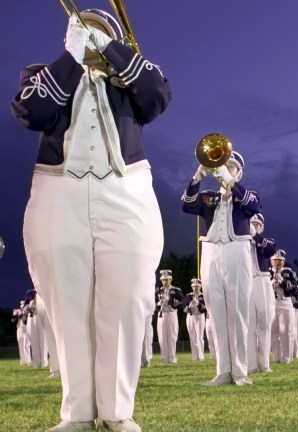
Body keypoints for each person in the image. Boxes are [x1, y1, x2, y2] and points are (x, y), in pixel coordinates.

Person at [12, 8, 171, 431]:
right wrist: (71, 56)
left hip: (126, 189)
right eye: (82, 29)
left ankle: (118, 413)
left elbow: (158, 97)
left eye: (98, 31)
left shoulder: (131, 76)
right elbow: (31, 113)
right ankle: (77, 414)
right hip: (57, 190)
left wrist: (112, 50)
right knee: (66, 305)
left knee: (127, 300)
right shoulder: (44, 72)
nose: (89, 35)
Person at [182, 150, 260, 386]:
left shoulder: (247, 195)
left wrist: (230, 181)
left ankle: (240, 371)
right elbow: (187, 205)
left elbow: (253, 206)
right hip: (211, 251)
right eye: (222, 166)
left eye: (231, 167)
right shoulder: (210, 197)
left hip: (237, 249)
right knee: (216, 314)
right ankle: (223, 371)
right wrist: (198, 175)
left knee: (237, 311)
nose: (225, 170)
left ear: (240, 171)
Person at [246, 214, 278, 373]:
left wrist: (255, 235)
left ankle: (264, 363)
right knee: (249, 323)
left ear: (262, 227)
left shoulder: (267, 241)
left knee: (264, 321)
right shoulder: (242, 243)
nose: (253, 226)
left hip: (262, 281)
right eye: (251, 223)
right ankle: (251, 364)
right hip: (247, 282)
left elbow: (271, 250)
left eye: (257, 224)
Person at [270, 250, 298, 364]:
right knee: (274, 332)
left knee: (286, 331)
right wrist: (270, 283)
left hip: (285, 303)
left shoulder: (288, 272)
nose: (277, 262)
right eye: (275, 260)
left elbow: (294, 290)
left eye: (280, 260)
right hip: (271, 303)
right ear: (271, 260)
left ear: (284, 261)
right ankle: (276, 357)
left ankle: (286, 357)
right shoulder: (266, 272)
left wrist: (282, 281)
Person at [156, 270, 183, 365]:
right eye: (163, 280)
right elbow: (154, 303)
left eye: (166, 279)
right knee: (162, 337)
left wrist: (170, 300)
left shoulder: (176, 290)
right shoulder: (158, 291)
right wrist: (158, 304)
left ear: (170, 279)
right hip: (161, 314)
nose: (164, 282)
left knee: (171, 337)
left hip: (171, 314)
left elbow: (182, 303)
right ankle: (164, 359)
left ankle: (172, 358)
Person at [183, 278, 207, 361]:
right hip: (190, 316)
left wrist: (198, 303)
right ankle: (195, 356)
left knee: (199, 337)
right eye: (194, 286)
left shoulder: (203, 296)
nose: (195, 288)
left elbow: (205, 309)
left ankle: (201, 356)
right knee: (192, 336)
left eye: (197, 286)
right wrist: (189, 306)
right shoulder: (188, 296)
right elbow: (184, 307)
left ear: (200, 286)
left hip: (199, 316)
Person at [12, 301, 31, 366]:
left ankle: (28, 360)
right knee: (21, 344)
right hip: (20, 328)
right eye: (21, 305)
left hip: (27, 328)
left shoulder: (28, 311)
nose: (22, 306)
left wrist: (22, 315)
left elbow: (25, 320)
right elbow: (13, 321)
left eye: (24, 305)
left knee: (27, 345)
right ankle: (23, 361)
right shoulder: (17, 311)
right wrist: (15, 316)